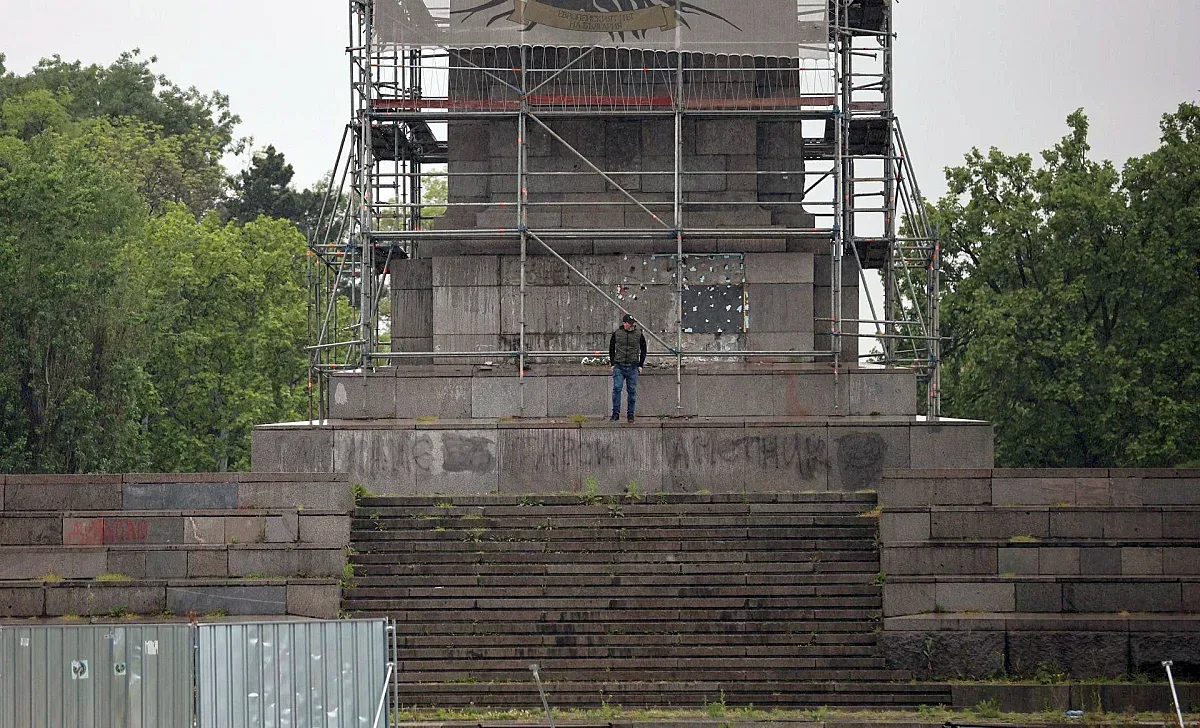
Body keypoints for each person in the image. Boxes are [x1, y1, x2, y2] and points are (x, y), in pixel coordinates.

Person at [608, 313, 646, 422]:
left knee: (632, 391)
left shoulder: (639, 334)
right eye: (629, 323)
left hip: (633, 366)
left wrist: (640, 364)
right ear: (624, 323)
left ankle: (630, 414)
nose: (632, 325)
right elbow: (611, 348)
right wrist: (613, 363)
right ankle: (615, 414)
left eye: (632, 323)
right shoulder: (617, 333)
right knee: (617, 388)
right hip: (619, 365)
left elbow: (644, 349)